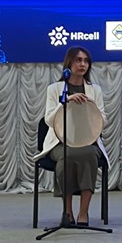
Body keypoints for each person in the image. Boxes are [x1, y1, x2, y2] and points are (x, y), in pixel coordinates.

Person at [33, 46, 108, 226]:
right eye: (78, 60)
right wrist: (64, 102)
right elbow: (48, 119)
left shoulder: (94, 90)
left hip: (88, 141)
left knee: (89, 155)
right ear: (69, 63)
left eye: (86, 61)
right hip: (60, 142)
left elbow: (103, 120)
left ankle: (84, 212)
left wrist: (92, 108)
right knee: (67, 156)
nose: (83, 64)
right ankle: (67, 212)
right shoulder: (55, 89)